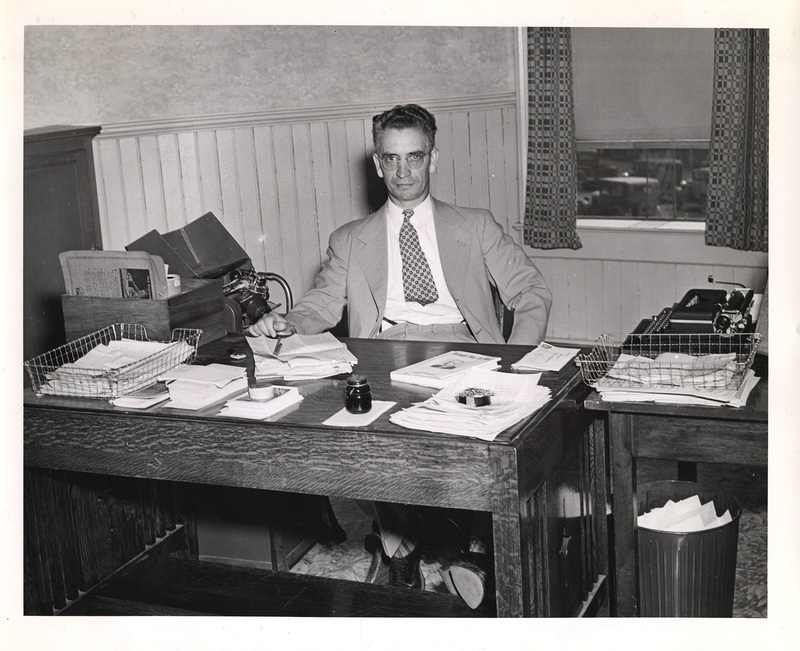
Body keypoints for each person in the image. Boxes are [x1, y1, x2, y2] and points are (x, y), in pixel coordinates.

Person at [251, 103, 552, 607]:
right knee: (367, 440)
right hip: (382, 348)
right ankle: (400, 552)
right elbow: (322, 304)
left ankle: (477, 549)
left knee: (483, 443)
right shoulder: (350, 239)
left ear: (433, 158)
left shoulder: (476, 226)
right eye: (391, 159)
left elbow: (530, 292)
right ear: (377, 163)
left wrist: (514, 362)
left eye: (415, 157)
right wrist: (288, 323)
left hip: (465, 345)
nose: (404, 171)